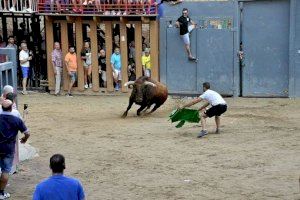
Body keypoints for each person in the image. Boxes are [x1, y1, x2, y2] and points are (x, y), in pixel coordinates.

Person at [0, 99, 30, 200]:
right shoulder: (15, 119)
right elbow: (27, 133)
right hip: (8, 148)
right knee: (5, 171)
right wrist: (24, 139)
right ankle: (1, 193)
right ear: (11, 107)